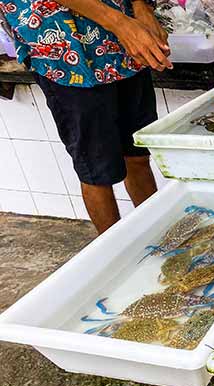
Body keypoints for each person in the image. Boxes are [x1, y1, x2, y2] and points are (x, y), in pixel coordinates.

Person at [1, 0, 173, 233]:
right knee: (97, 172)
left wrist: (141, 6)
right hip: (65, 54)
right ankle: (116, 254)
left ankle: (160, 234)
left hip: (122, 49)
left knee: (138, 154)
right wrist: (121, 24)